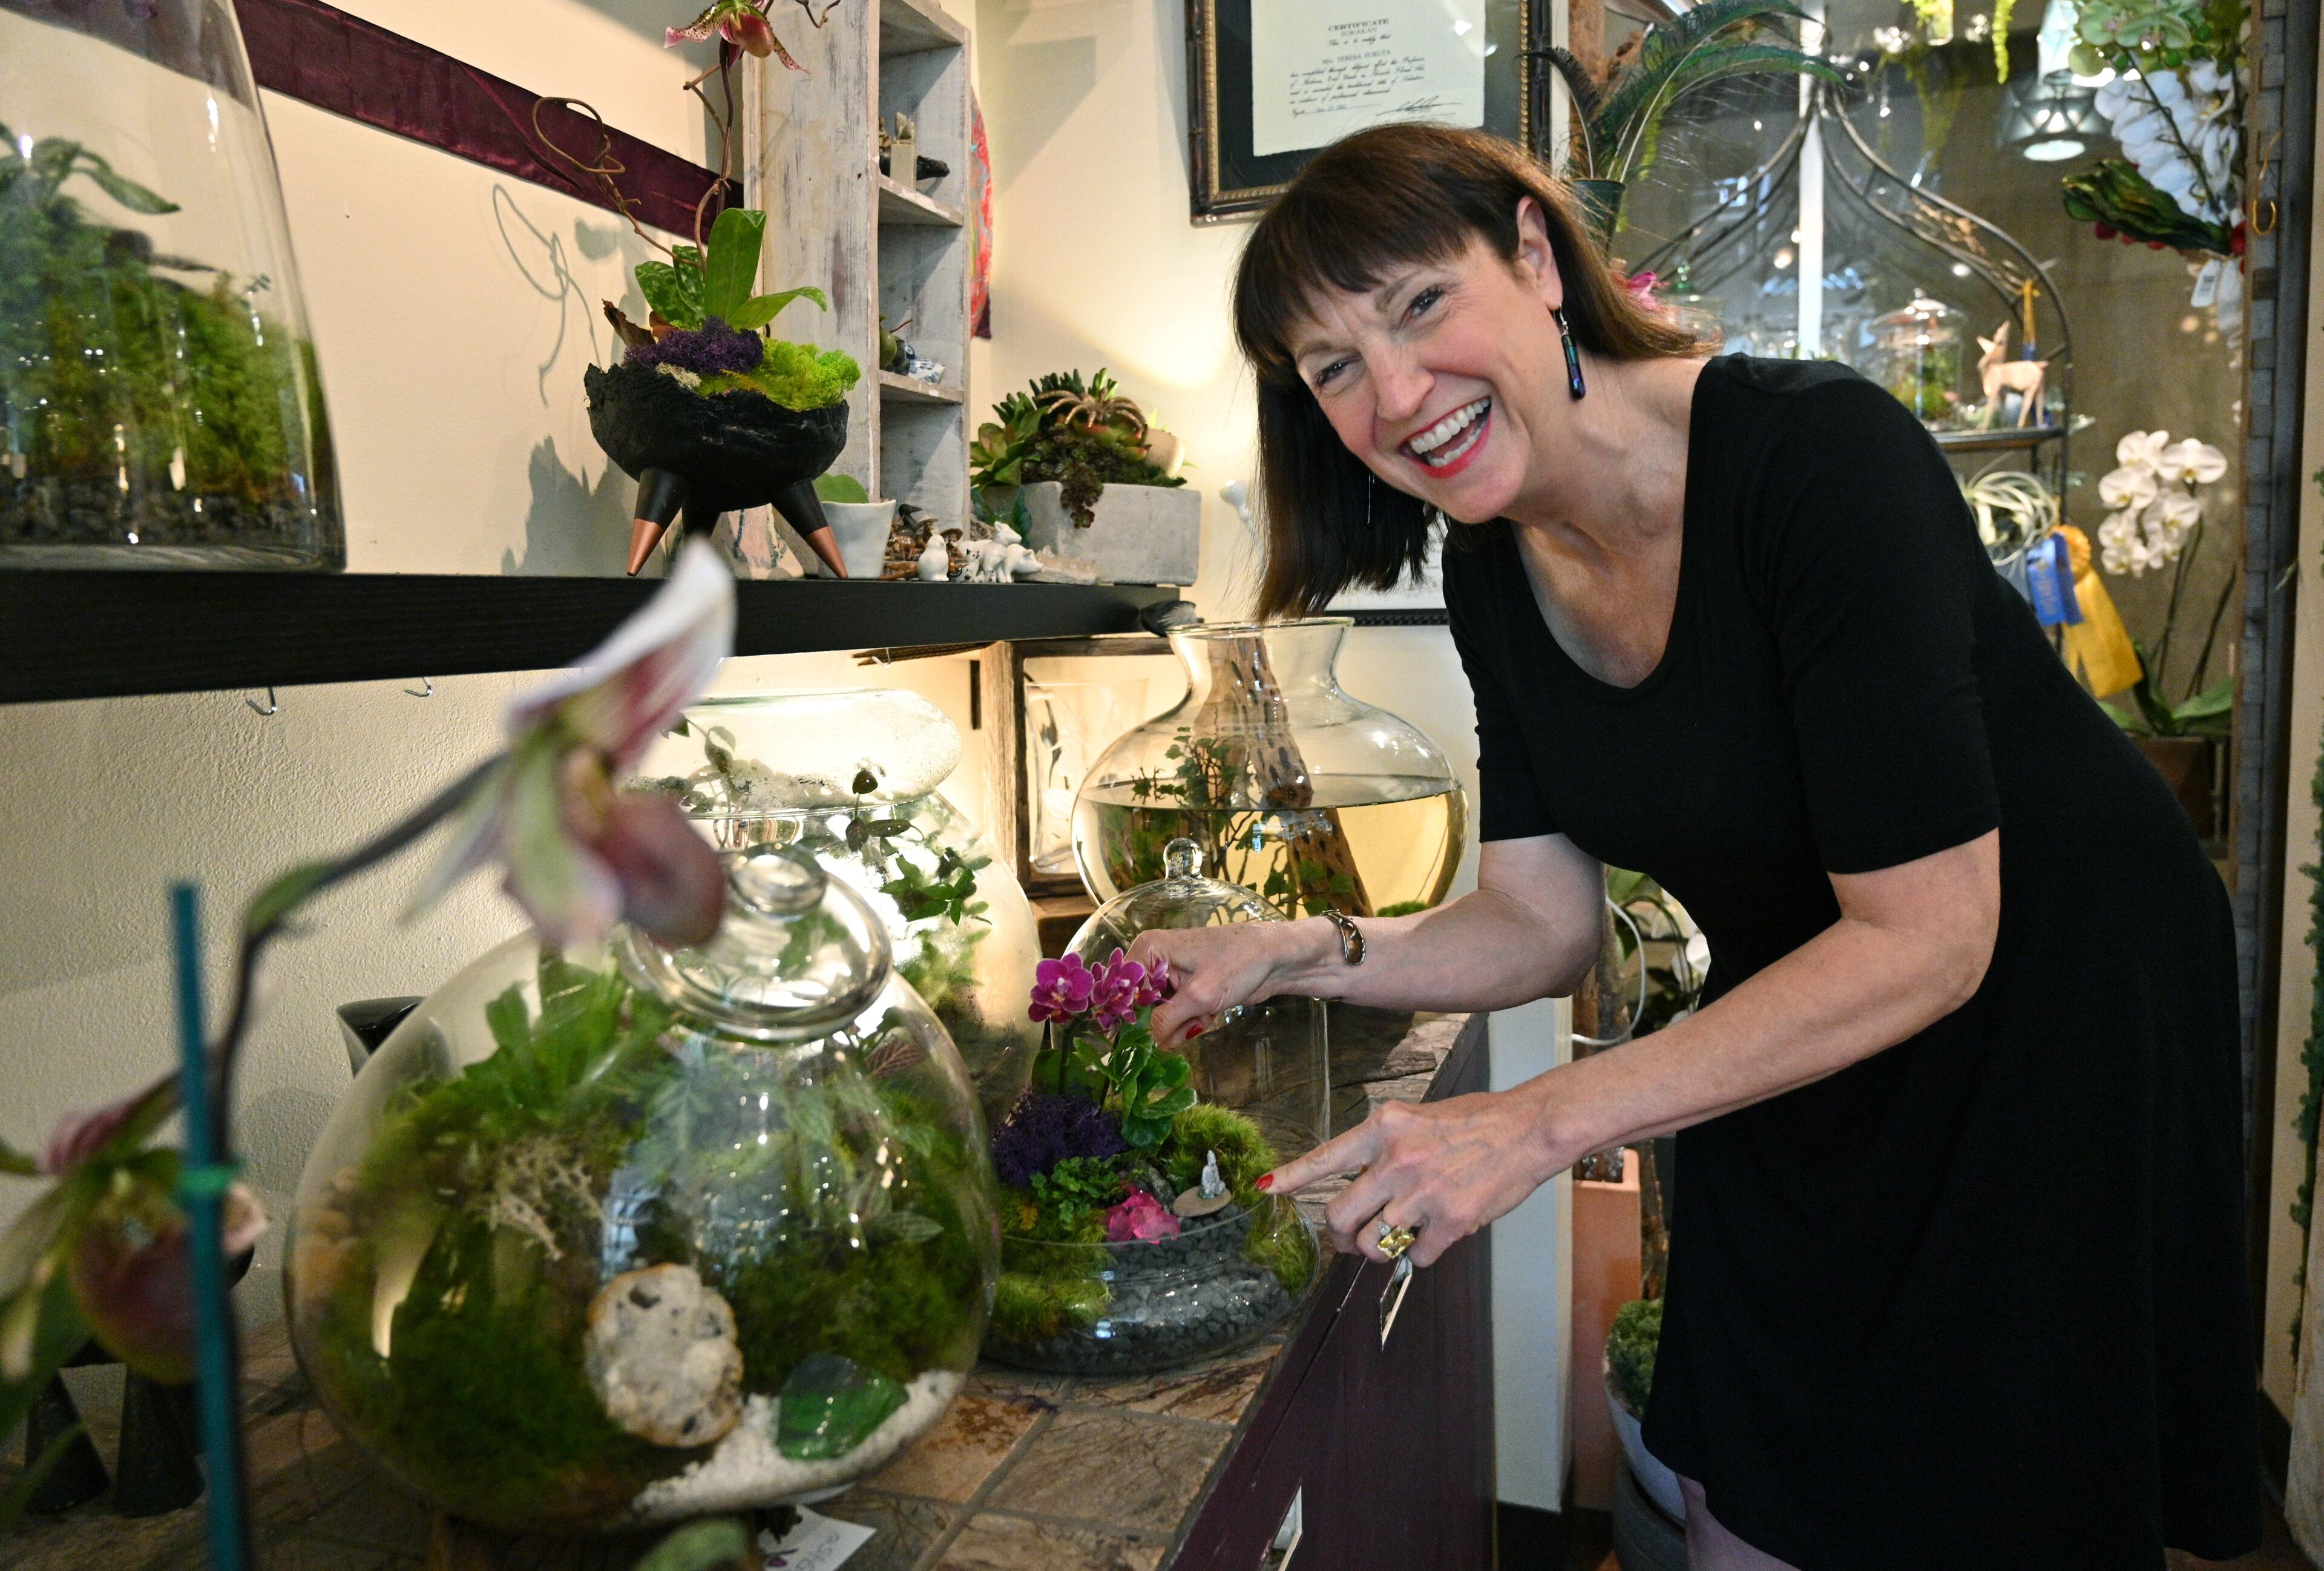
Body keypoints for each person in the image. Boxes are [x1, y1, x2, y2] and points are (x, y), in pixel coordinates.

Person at [1125, 123, 2259, 1569]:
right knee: (1756, 1464)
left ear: (1533, 257)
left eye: (1419, 304)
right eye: (1333, 366)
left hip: (2048, 1000)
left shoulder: (1814, 458)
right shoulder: (1494, 569)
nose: (1397, 394)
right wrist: (1304, 948)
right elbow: (1542, 919)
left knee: (2001, 1485)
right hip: (1814, 1005)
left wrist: (1535, 1123)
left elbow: (1935, 932)